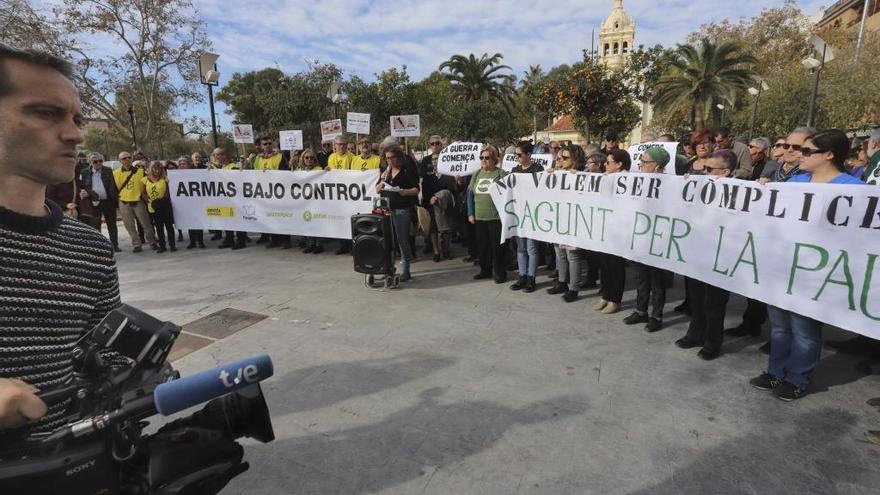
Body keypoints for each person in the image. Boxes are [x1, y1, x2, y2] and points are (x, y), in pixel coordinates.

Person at [0, 43, 122, 434]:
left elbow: (104, 355)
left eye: (76, 118)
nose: (75, 134)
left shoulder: (91, 248)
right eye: (46, 113)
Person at [751, 129, 867, 401]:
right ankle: (775, 371)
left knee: (804, 329)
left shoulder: (856, 190)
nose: (797, 155)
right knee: (779, 325)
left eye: (806, 151)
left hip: (818, 273)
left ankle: (797, 377)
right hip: (783, 267)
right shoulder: (795, 182)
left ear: (829, 155)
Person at [675, 149, 739, 360]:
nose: (704, 173)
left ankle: (712, 342)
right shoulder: (701, 185)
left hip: (722, 254)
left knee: (714, 303)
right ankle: (695, 334)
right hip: (697, 249)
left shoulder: (741, 191)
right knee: (696, 297)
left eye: (709, 169)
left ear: (726, 172)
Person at [622, 147, 670, 332]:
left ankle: (656, 315)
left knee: (657, 281)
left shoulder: (670, 184)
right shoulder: (638, 180)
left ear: (656, 166)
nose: (640, 164)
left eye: (645, 162)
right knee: (641, 277)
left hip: (658, 240)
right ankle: (640, 310)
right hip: (641, 237)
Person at [546, 145, 588, 302]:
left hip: (574, 220)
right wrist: (549, 175)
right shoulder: (558, 174)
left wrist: (579, 177)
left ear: (575, 159)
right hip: (558, 219)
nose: (561, 160)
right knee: (559, 253)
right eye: (559, 158)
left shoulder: (583, 175)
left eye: (565, 158)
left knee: (573, 255)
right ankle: (562, 282)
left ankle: (573, 288)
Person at [593, 149, 630, 315]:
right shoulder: (605, 177)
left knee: (616, 266)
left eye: (608, 162)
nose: (605, 165)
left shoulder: (630, 180)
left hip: (620, 229)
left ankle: (615, 300)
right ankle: (605, 295)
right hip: (605, 227)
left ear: (619, 164)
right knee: (605, 264)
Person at [376, 144, 419, 282]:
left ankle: (406, 270)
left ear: (399, 157)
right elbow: (377, 189)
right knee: (388, 241)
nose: (390, 161)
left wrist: (404, 191)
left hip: (402, 210)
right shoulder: (385, 171)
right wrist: (382, 182)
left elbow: (416, 189)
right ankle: (388, 269)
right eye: (387, 158)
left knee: (402, 241)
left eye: (392, 157)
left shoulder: (407, 170)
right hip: (386, 210)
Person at [468, 145, 508, 282]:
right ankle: (485, 271)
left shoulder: (501, 174)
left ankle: (499, 273)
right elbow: (470, 195)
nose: (483, 160)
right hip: (479, 217)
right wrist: (470, 213)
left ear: (494, 159)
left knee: (497, 248)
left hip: (496, 218)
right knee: (483, 247)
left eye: (487, 157)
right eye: (481, 157)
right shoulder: (476, 174)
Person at [509, 141, 543, 293]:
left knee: (532, 248)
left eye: (519, 154)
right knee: (521, 247)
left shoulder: (538, 169)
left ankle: (531, 278)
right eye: (515, 154)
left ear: (529, 155)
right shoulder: (514, 170)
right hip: (519, 213)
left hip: (533, 213)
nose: (517, 157)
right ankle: (521, 276)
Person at [114, 151, 157, 252]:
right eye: (124, 158)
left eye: (129, 157)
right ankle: (136, 244)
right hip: (124, 202)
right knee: (129, 225)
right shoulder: (115, 173)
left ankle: (153, 242)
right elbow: (113, 188)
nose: (127, 160)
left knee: (146, 224)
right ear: (120, 160)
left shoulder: (140, 171)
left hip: (138, 201)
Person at [78, 152, 121, 251]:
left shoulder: (108, 171)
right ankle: (100, 246)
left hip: (108, 201)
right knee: (95, 225)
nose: (98, 163)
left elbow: (113, 186)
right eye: (95, 161)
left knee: (112, 224)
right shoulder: (84, 173)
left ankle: (114, 245)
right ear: (90, 162)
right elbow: (82, 187)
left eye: (100, 161)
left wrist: (116, 200)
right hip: (93, 203)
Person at [252, 136, 290, 248]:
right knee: (269, 217)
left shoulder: (279, 156)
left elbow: (285, 172)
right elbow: (254, 173)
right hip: (265, 192)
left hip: (279, 192)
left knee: (282, 216)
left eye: (269, 143)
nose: (268, 145)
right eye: (265, 144)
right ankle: (274, 239)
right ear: (261, 146)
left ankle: (286, 240)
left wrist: (271, 173)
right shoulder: (258, 158)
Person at [210, 147, 249, 250]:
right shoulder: (215, 168)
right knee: (226, 219)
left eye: (220, 154)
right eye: (216, 155)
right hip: (223, 199)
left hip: (235, 200)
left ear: (225, 155)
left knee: (238, 220)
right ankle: (229, 239)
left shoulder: (233, 168)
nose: (217, 157)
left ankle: (241, 241)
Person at [140, 161, 175, 252]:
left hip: (165, 204)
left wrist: (162, 200)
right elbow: (143, 193)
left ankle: (172, 245)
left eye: (159, 168)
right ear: (151, 169)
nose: (157, 171)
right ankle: (162, 246)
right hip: (153, 206)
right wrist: (149, 200)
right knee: (159, 227)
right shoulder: (145, 179)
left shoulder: (165, 178)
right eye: (155, 168)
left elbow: (168, 191)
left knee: (169, 226)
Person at [296, 149, 325, 254]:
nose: (309, 160)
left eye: (311, 158)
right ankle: (310, 243)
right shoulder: (298, 171)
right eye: (306, 157)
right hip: (303, 202)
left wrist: (326, 171)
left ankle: (318, 244)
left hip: (316, 201)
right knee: (307, 222)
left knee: (317, 222)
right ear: (302, 159)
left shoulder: (319, 169)